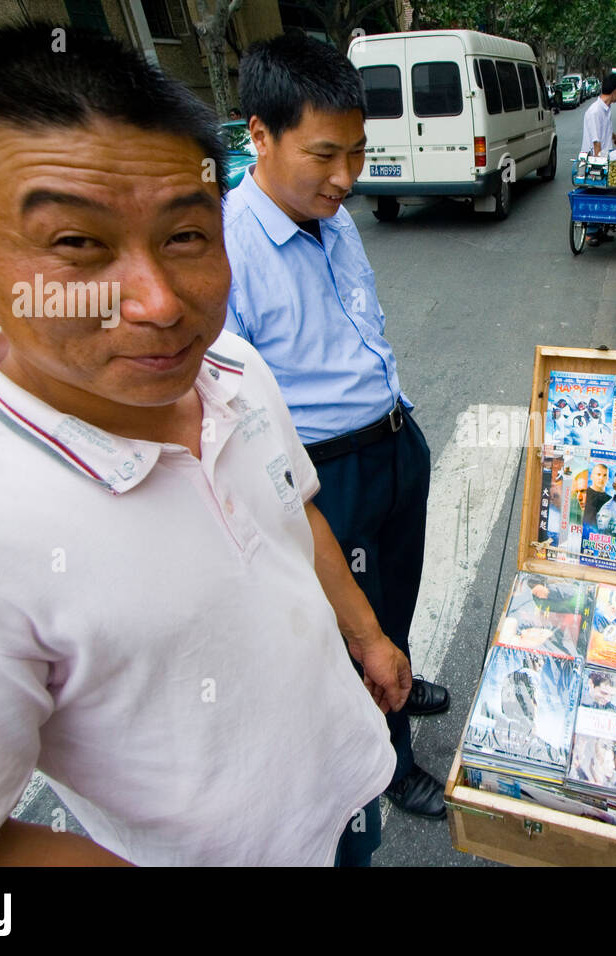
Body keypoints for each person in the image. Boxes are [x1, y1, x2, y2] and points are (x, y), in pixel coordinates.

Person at [0, 24, 408, 867]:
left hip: (348, 798)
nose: (158, 303)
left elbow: (295, 508)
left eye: (186, 236)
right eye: (79, 245)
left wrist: (367, 636)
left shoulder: (236, 367)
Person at [222, 34, 450, 820]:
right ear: (260, 133)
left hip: (393, 443)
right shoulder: (230, 249)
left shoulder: (334, 215)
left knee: (395, 601)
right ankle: (389, 764)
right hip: (327, 474)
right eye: (325, 155)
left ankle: (399, 678)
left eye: (357, 153)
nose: (346, 177)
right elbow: (231, 417)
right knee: (355, 628)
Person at [579, 72, 616, 246]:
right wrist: (600, 164)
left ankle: (600, 230)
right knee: (597, 193)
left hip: (604, 157)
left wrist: (615, 137)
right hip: (593, 160)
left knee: (606, 192)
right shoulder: (595, 112)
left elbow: (606, 130)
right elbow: (596, 142)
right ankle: (591, 232)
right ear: (614, 91)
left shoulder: (606, 110)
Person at [582, 462, 610, 527]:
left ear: (607, 479)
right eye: (598, 474)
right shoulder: (582, 495)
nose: (601, 478)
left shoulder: (610, 501)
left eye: (604, 475)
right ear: (591, 476)